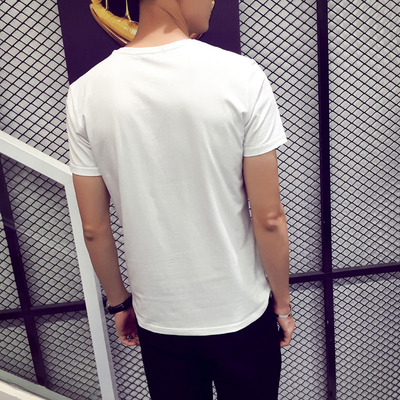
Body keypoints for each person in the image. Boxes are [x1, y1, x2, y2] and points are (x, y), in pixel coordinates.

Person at [66, 0, 295, 399]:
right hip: (241, 312)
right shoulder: (241, 76)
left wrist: (120, 304)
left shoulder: (85, 92)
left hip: (160, 321)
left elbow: (94, 228)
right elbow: (270, 217)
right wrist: (283, 304)